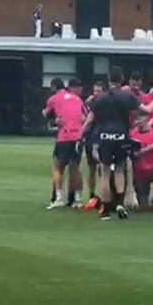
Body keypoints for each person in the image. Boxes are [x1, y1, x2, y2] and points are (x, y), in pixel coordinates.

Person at [83, 66, 140, 220]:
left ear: (108, 79)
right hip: (121, 136)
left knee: (105, 172)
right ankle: (120, 203)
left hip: (104, 137)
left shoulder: (99, 98)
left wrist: (82, 136)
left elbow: (89, 121)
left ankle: (106, 209)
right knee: (120, 170)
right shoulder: (127, 96)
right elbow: (143, 110)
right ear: (122, 79)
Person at [44, 78, 86, 209]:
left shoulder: (54, 98)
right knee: (75, 169)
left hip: (65, 136)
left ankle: (59, 197)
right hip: (78, 136)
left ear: (54, 87)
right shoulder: (77, 99)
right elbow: (84, 116)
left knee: (58, 167)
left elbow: (47, 113)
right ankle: (78, 199)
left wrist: (50, 117)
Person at [82, 81, 107, 202]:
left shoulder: (107, 103)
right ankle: (92, 195)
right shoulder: (90, 103)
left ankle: (105, 194)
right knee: (91, 167)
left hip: (103, 137)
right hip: (91, 137)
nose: (96, 93)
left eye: (99, 91)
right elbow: (85, 119)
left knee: (104, 167)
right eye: (95, 91)